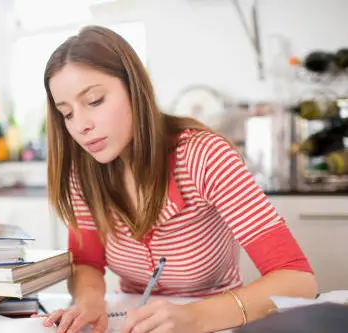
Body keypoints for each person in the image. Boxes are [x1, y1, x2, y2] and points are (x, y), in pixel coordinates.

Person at [40, 25, 317, 333]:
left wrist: (194, 318)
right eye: (66, 113)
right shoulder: (84, 172)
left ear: (134, 88)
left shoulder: (204, 157)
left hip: (218, 323)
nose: (81, 125)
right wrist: (89, 300)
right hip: (129, 321)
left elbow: (297, 280)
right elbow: (87, 262)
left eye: (94, 101)